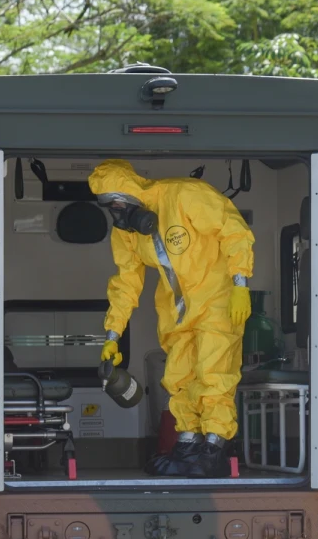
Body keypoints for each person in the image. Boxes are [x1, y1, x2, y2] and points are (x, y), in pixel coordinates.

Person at [89, 160, 254, 478]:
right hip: (176, 312)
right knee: (179, 378)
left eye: (118, 203)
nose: (117, 214)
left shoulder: (184, 195)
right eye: (108, 207)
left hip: (217, 301)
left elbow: (235, 231)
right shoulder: (127, 232)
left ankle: (215, 447)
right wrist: (112, 335)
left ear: (132, 193)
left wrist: (240, 284)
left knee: (214, 375)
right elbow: (125, 284)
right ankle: (189, 444)